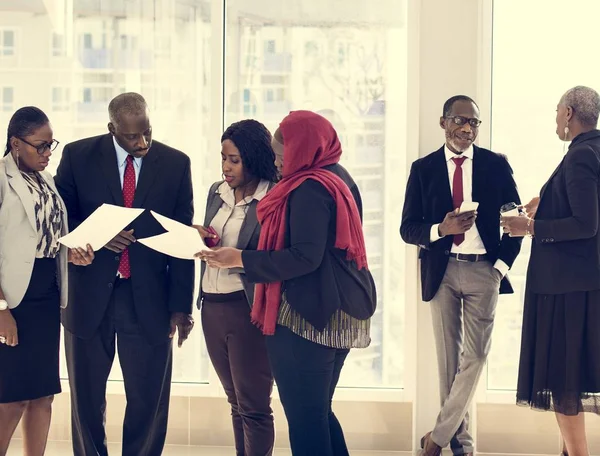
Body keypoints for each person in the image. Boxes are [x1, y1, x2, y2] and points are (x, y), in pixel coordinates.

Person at [199, 110, 377, 456]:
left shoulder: (308, 188)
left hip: (306, 319)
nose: (278, 165)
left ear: (304, 151)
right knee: (319, 414)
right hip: (339, 312)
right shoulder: (337, 177)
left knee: (305, 422)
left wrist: (240, 258)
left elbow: (304, 257)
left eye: (283, 157)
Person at [55, 93, 195, 456]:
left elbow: (182, 239)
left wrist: (182, 306)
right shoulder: (77, 156)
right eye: (133, 137)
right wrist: (96, 235)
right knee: (86, 401)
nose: (143, 143)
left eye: (147, 132)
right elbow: (60, 219)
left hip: (149, 300)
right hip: (87, 298)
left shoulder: (176, 163)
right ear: (112, 129)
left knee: (148, 401)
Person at [400, 95, 522, 456]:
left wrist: (500, 268)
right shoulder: (423, 169)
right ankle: (462, 446)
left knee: (477, 356)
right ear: (443, 122)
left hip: (484, 269)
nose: (467, 129)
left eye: (474, 123)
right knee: (448, 364)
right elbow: (408, 228)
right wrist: (441, 227)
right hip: (442, 272)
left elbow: (515, 221)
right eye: (460, 121)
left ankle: (435, 440)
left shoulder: (495, 166)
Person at [502, 86, 600, 456]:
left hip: (567, 291)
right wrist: (547, 202)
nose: (556, 117)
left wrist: (529, 228)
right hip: (581, 285)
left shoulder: (580, 156)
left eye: (558, 110)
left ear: (570, 113)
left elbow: (585, 224)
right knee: (569, 380)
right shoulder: (593, 150)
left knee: (564, 383)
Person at [0, 107, 94, 456]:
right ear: (15, 143)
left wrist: (71, 254)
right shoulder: (1, 178)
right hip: (13, 299)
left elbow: (45, 239)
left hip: (47, 294)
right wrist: (1, 308)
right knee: (11, 398)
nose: (47, 153)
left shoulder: (46, 181)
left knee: (42, 394)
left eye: (50, 145)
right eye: (40, 146)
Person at [195, 119, 278, 456]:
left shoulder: (272, 197)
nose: (226, 167)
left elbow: (276, 256)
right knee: (235, 402)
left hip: (247, 309)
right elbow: (216, 242)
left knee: (254, 404)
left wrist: (238, 258)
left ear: (255, 159)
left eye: (234, 160)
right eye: (223, 158)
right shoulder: (216, 191)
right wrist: (200, 237)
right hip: (211, 308)